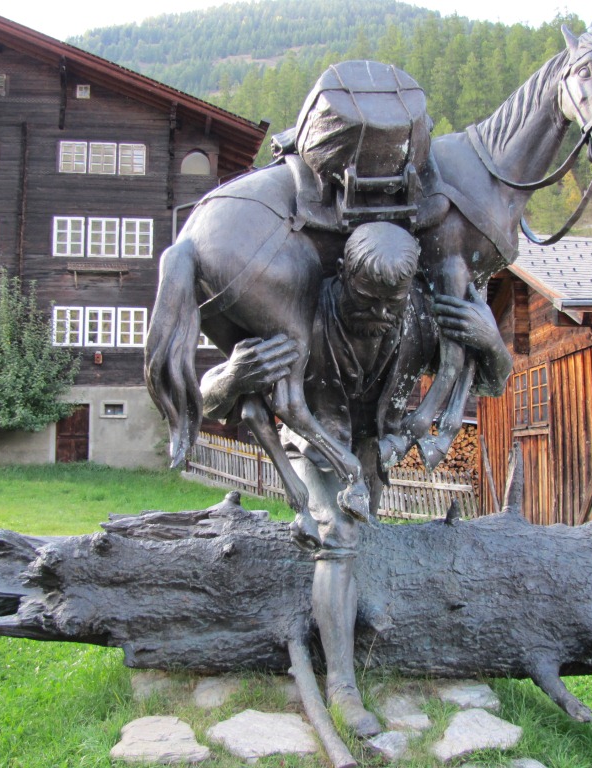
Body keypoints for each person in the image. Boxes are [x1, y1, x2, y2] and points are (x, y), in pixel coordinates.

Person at [199, 221, 511, 735]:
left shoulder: (419, 315)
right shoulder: (295, 309)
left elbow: (492, 383)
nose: (381, 316)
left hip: (376, 452)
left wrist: (491, 342)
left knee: (360, 540)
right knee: (339, 538)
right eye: (367, 302)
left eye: (392, 304)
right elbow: (209, 396)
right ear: (343, 273)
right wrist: (232, 376)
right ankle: (342, 686)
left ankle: (347, 630)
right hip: (316, 443)